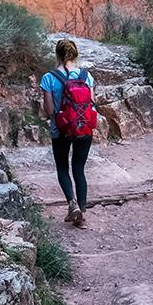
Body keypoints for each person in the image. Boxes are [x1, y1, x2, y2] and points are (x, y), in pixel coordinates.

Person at [40, 38, 96, 228]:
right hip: (84, 128)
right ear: (75, 54)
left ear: (57, 54)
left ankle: (72, 204)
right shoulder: (86, 76)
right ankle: (82, 209)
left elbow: (48, 111)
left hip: (61, 129)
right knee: (79, 169)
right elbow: (92, 103)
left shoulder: (49, 78)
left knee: (63, 168)